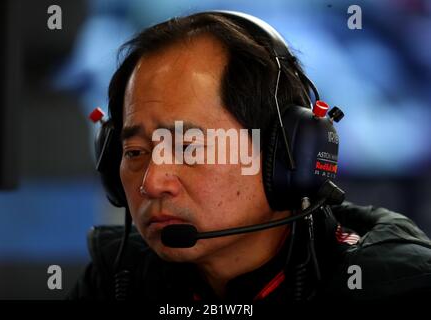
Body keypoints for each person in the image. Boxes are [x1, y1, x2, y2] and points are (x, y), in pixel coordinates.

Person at [69, 11, 431, 304]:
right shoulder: (118, 275)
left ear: (287, 154)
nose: (151, 182)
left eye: (189, 147)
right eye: (134, 152)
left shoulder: (395, 284)